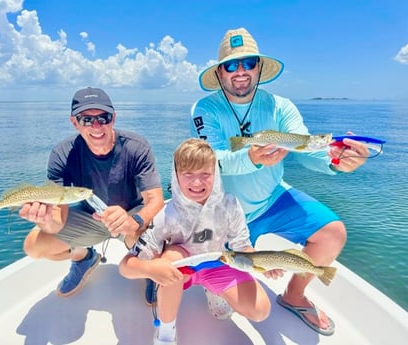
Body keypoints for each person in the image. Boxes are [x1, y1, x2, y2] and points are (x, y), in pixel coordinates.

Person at [190, 28, 369, 336]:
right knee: (223, 312)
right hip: (224, 212)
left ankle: (294, 295)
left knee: (333, 234)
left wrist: (337, 160)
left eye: (248, 62)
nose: (241, 71)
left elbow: (304, 147)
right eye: (232, 65)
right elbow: (210, 161)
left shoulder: (281, 107)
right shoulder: (205, 109)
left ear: (259, 66)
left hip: (273, 199)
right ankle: (215, 276)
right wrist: (253, 158)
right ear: (220, 72)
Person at [119, 138, 271, 345]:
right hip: (181, 269)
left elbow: (242, 246)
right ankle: (166, 331)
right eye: (188, 174)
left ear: (215, 175)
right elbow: (126, 267)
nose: (197, 182)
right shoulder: (166, 214)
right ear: (176, 176)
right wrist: (152, 270)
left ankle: (214, 290)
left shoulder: (230, 205)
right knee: (171, 257)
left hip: (216, 262)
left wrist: (265, 264)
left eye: (205, 174)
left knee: (260, 311)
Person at [19, 87, 164, 297]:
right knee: (34, 246)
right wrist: (44, 219)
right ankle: (83, 257)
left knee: (150, 245)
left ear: (113, 118)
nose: (96, 126)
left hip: (131, 217)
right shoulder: (62, 154)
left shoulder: (136, 146)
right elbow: (58, 219)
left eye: (103, 117)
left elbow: (155, 199)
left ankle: (150, 271)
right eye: (86, 119)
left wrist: (135, 222)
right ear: (74, 122)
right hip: (91, 218)